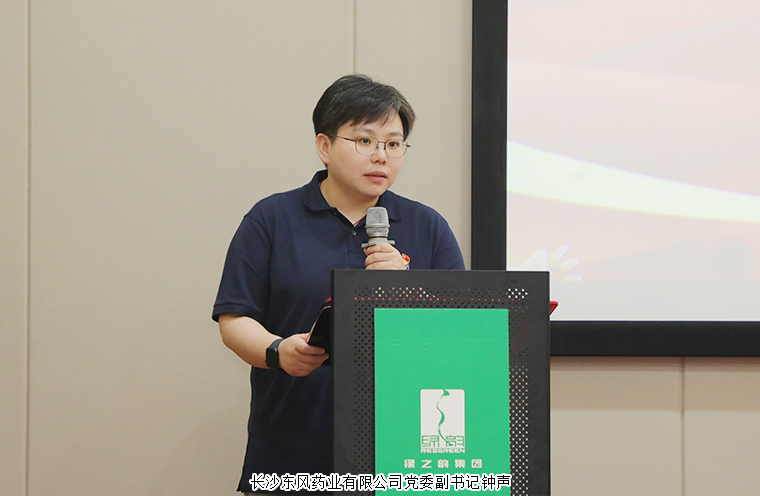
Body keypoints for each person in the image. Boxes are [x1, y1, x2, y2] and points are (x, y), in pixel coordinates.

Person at [213, 74, 465, 493]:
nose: (381, 156)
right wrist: (278, 351)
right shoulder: (271, 219)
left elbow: (459, 334)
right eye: (365, 140)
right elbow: (234, 319)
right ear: (324, 146)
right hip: (294, 449)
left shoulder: (428, 226)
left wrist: (407, 288)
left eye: (394, 144)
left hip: (404, 450)